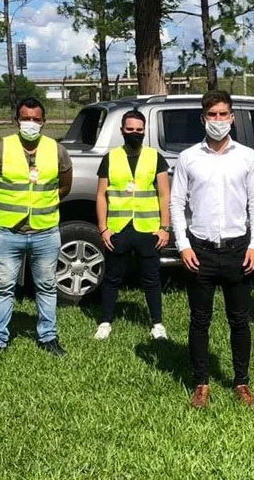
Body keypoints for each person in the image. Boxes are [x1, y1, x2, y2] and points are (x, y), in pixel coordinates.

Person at [170, 90, 254, 408]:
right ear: (203, 118)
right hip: (200, 251)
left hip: (238, 250)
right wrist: (183, 245)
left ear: (232, 118)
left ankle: (241, 382)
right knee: (200, 320)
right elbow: (176, 203)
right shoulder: (188, 158)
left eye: (223, 114)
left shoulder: (247, 157)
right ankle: (201, 383)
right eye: (212, 115)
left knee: (239, 320)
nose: (218, 120)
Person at [0, 97, 73, 358]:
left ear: (43, 122)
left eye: (35, 119)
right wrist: (5, 203)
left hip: (45, 231)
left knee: (47, 286)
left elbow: (65, 185)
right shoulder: (0, 148)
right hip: (9, 231)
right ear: (17, 120)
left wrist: (46, 202)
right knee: (3, 287)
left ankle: (48, 337)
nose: (30, 123)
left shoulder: (56, 150)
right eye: (25, 118)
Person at [94, 110, 171, 340]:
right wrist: (103, 228)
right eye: (130, 129)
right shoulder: (110, 158)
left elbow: (164, 194)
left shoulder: (155, 157)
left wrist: (165, 228)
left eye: (139, 130)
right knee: (112, 277)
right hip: (118, 228)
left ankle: (157, 324)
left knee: (151, 278)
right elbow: (101, 195)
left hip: (148, 229)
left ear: (144, 131)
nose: (135, 133)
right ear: (122, 131)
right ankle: (105, 322)